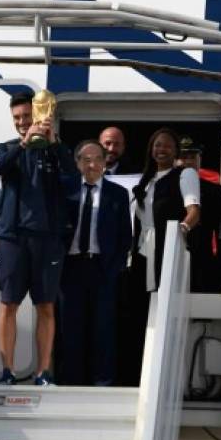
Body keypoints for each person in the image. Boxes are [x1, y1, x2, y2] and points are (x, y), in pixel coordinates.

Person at [0, 91, 77, 386]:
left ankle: (42, 372)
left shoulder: (56, 150)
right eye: (17, 118)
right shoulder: (7, 148)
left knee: (46, 306)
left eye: (27, 116)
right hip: (12, 238)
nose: (22, 122)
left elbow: (74, 179)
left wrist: (53, 143)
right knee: (8, 304)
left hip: (48, 239)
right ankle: (7, 371)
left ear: (39, 114)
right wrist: (25, 142)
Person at [117, 127, 200, 386]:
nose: (160, 150)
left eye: (166, 145)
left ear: (175, 150)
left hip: (166, 251)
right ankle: (135, 375)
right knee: (137, 314)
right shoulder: (146, 179)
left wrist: (181, 232)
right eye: (156, 145)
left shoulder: (184, 174)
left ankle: (163, 377)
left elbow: (194, 211)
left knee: (162, 314)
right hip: (141, 254)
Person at [60, 140, 132, 386]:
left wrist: (115, 268)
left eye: (97, 159)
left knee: (103, 328)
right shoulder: (65, 189)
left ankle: (103, 382)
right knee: (71, 328)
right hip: (70, 268)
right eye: (86, 159)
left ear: (104, 162)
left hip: (102, 268)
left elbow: (125, 236)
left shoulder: (118, 194)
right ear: (78, 163)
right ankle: (71, 382)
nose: (92, 165)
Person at [176, 137, 221, 293]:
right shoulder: (166, 186)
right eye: (184, 157)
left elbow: (220, 228)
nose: (189, 161)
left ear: (199, 159)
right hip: (174, 250)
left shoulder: (215, 190)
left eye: (193, 157)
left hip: (203, 254)